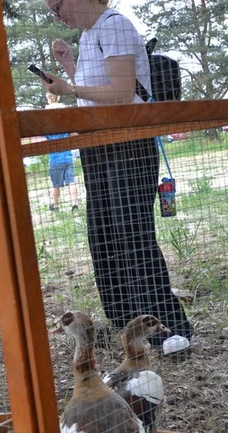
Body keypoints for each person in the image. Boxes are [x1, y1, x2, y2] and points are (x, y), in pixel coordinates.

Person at [39, 0, 192, 349]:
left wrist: (70, 88)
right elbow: (97, 94)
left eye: (57, 5)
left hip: (128, 143)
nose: (57, 15)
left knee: (132, 235)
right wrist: (69, 67)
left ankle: (164, 327)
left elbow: (122, 94)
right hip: (97, 144)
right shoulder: (91, 34)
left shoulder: (114, 25)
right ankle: (125, 324)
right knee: (104, 235)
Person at [44, 92, 79, 212]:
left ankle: (56, 205)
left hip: (55, 159)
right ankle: (74, 204)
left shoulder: (46, 118)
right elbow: (72, 133)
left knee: (56, 184)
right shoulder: (64, 116)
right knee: (71, 181)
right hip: (67, 156)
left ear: (48, 99)